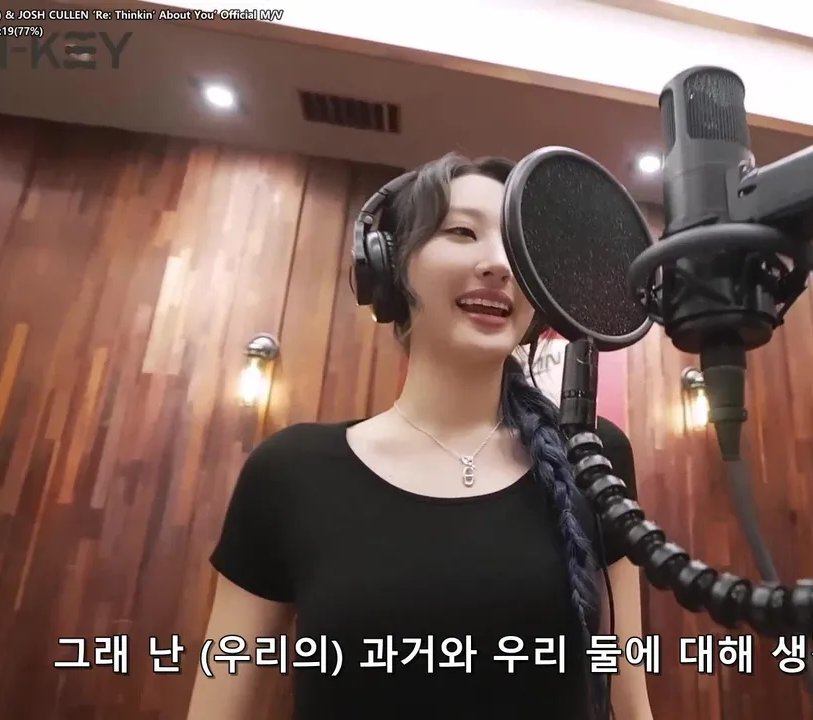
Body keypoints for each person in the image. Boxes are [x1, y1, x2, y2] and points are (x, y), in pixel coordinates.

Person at [187, 152, 655, 720]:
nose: (498, 264)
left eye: (518, 246)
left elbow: (630, 703)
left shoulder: (593, 454)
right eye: (462, 232)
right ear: (389, 265)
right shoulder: (288, 472)